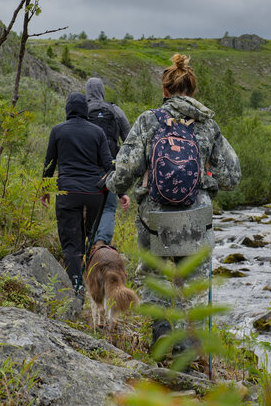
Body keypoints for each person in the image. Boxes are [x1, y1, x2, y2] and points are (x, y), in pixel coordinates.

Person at [106, 53, 240, 347]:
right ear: (193, 91)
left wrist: (110, 184)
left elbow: (125, 170)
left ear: (164, 91)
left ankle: (162, 330)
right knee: (193, 283)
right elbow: (232, 176)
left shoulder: (147, 121)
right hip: (197, 215)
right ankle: (190, 346)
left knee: (155, 274)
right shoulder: (207, 125)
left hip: (154, 215)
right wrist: (208, 184)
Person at [42, 92, 129, 297]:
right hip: (94, 194)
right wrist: (121, 192)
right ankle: (95, 285)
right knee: (92, 241)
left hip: (68, 192)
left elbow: (49, 163)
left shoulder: (58, 131)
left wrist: (45, 190)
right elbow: (109, 165)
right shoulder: (97, 132)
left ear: (68, 109)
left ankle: (76, 288)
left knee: (72, 245)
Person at [85, 77, 131, 245]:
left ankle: (86, 248)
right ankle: (101, 244)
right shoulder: (115, 111)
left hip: (84, 172)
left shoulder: (81, 110)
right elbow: (129, 139)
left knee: (85, 210)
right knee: (109, 208)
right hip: (108, 171)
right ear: (103, 91)